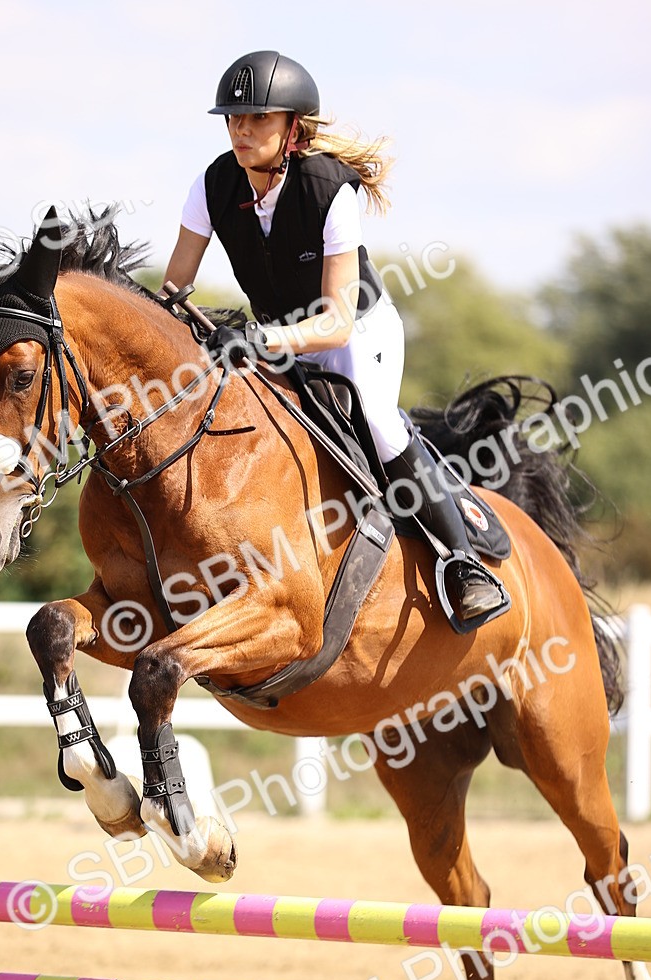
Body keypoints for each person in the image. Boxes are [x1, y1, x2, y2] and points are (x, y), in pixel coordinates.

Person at [164, 50, 507, 626]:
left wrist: (257, 336)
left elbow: (336, 322)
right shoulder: (212, 184)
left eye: (258, 119)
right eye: (233, 119)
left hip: (355, 330)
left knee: (375, 418)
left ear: (293, 128)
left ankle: (463, 562)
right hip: (275, 333)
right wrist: (198, 328)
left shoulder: (329, 190)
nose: (241, 130)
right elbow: (174, 286)